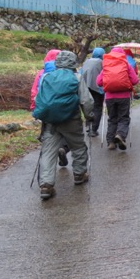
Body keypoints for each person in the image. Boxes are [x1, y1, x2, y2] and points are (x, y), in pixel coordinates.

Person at [35, 50, 94, 200]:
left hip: (50, 122)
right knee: (78, 147)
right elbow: (86, 101)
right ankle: (79, 174)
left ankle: (46, 185)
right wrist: (89, 116)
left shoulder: (46, 77)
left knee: (48, 152)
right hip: (71, 120)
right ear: (73, 63)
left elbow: (39, 98)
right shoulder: (76, 77)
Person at [30, 49, 70, 167]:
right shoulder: (65, 72)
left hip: (45, 107)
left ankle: (49, 149)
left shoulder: (42, 73)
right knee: (68, 132)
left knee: (49, 132)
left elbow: (34, 91)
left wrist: (35, 107)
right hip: (63, 107)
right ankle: (63, 148)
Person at [97, 47, 139, 151]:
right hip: (124, 96)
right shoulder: (126, 64)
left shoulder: (106, 65)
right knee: (123, 118)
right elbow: (135, 80)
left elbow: (98, 82)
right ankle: (120, 135)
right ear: (122, 55)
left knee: (112, 119)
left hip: (109, 97)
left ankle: (111, 142)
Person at [81, 47, 105, 137]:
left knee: (88, 106)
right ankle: (94, 130)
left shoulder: (87, 61)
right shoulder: (102, 63)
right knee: (98, 108)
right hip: (98, 88)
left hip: (86, 86)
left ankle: (88, 126)